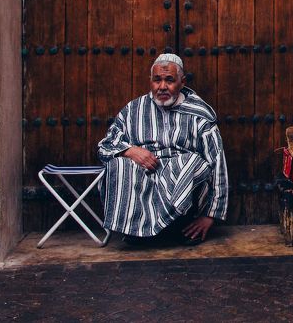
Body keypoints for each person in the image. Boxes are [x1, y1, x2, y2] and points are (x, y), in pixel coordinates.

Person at [97, 54, 228, 244]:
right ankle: (136, 231)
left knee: (189, 162)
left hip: (182, 183)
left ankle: (173, 228)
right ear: (151, 81)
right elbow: (106, 145)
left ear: (182, 83)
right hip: (146, 174)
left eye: (170, 80)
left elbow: (217, 164)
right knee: (119, 163)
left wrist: (210, 216)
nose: (162, 87)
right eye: (157, 80)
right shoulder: (134, 110)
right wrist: (131, 151)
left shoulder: (200, 114)